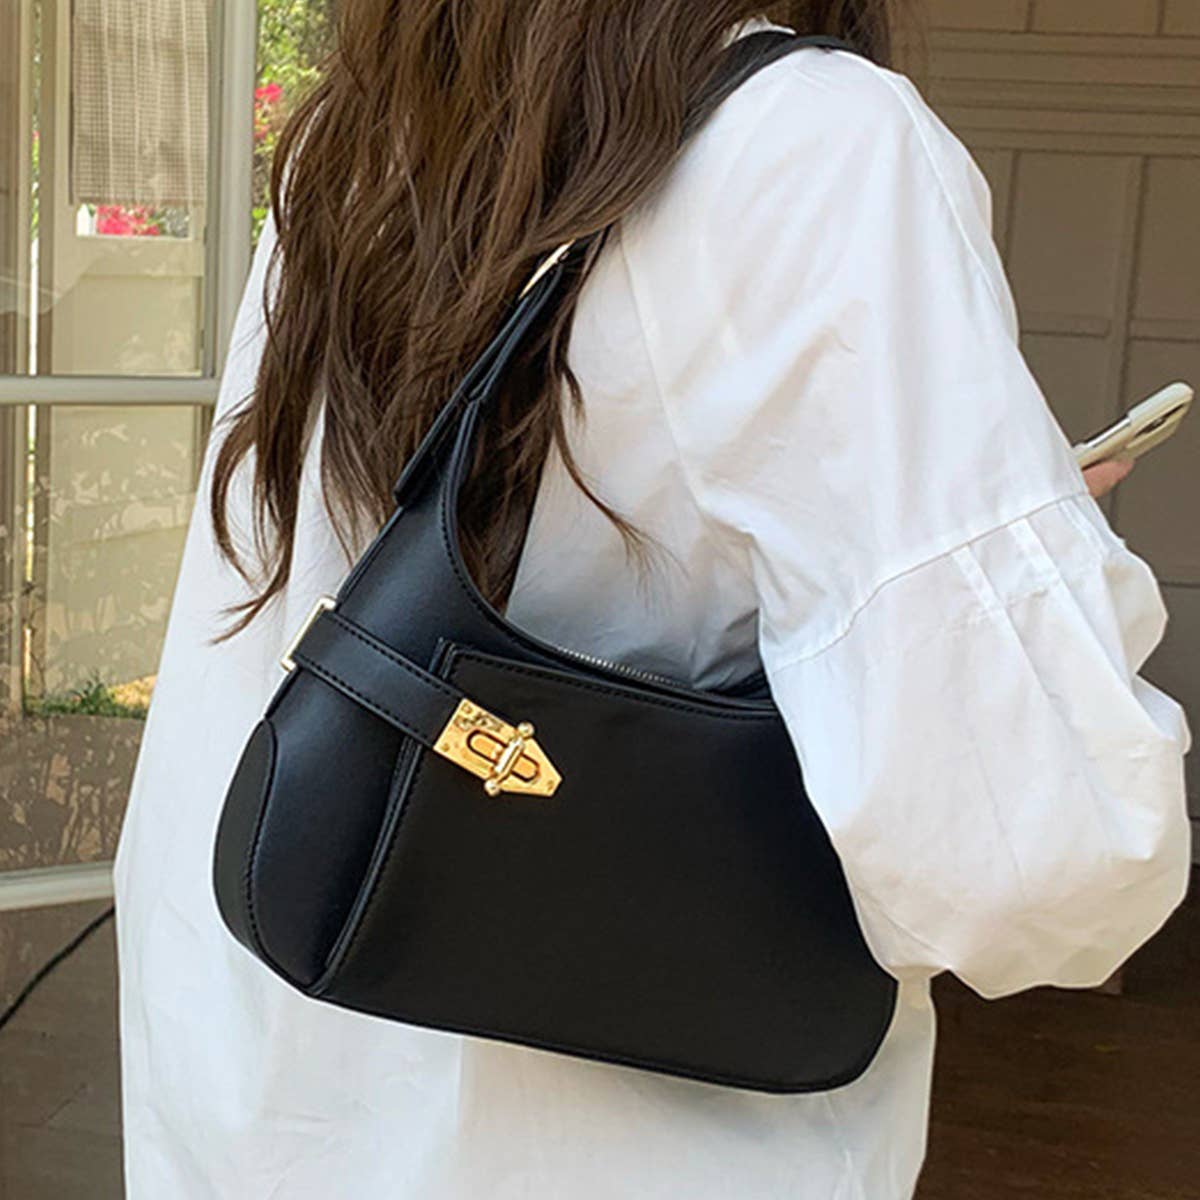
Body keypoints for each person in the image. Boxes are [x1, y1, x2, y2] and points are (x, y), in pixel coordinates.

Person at [113, 4, 1192, 1197]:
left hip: (265, 1097)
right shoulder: (813, 145)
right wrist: (1032, 577)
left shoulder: (366, 129)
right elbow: (1030, 863)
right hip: (613, 1147)